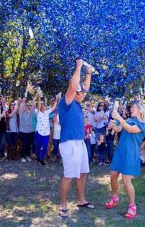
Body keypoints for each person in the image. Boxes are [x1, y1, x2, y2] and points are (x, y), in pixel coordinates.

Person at [58, 59, 94, 218]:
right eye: (80, 92)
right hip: (69, 143)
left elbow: (84, 88)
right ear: (75, 93)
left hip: (79, 143)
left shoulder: (78, 103)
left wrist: (89, 73)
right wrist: (79, 67)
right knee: (69, 175)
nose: (82, 94)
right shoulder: (66, 102)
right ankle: (63, 206)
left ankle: (81, 200)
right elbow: (74, 87)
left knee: (82, 172)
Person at [105, 101, 145, 220]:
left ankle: (132, 206)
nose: (131, 109)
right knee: (113, 175)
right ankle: (114, 198)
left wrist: (119, 118)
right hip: (120, 152)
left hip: (130, 154)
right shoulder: (128, 119)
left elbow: (130, 129)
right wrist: (113, 124)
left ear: (140, 110)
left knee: (126, 180)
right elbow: (119, 128)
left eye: (133, 107)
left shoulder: (143, 124)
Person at [35, 98, 57, 165]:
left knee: (45, 146)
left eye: (45, 106)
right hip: (39, 132)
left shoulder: (47, 112)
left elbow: (54, 107)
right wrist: (39, 98)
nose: (45, 107)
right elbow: (38, 105)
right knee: (38, 146)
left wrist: (56, 100)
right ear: (41, 107)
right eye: (43, 106)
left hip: (46, 133)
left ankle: (42, 159)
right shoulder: (38, 112)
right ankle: (38, 156)